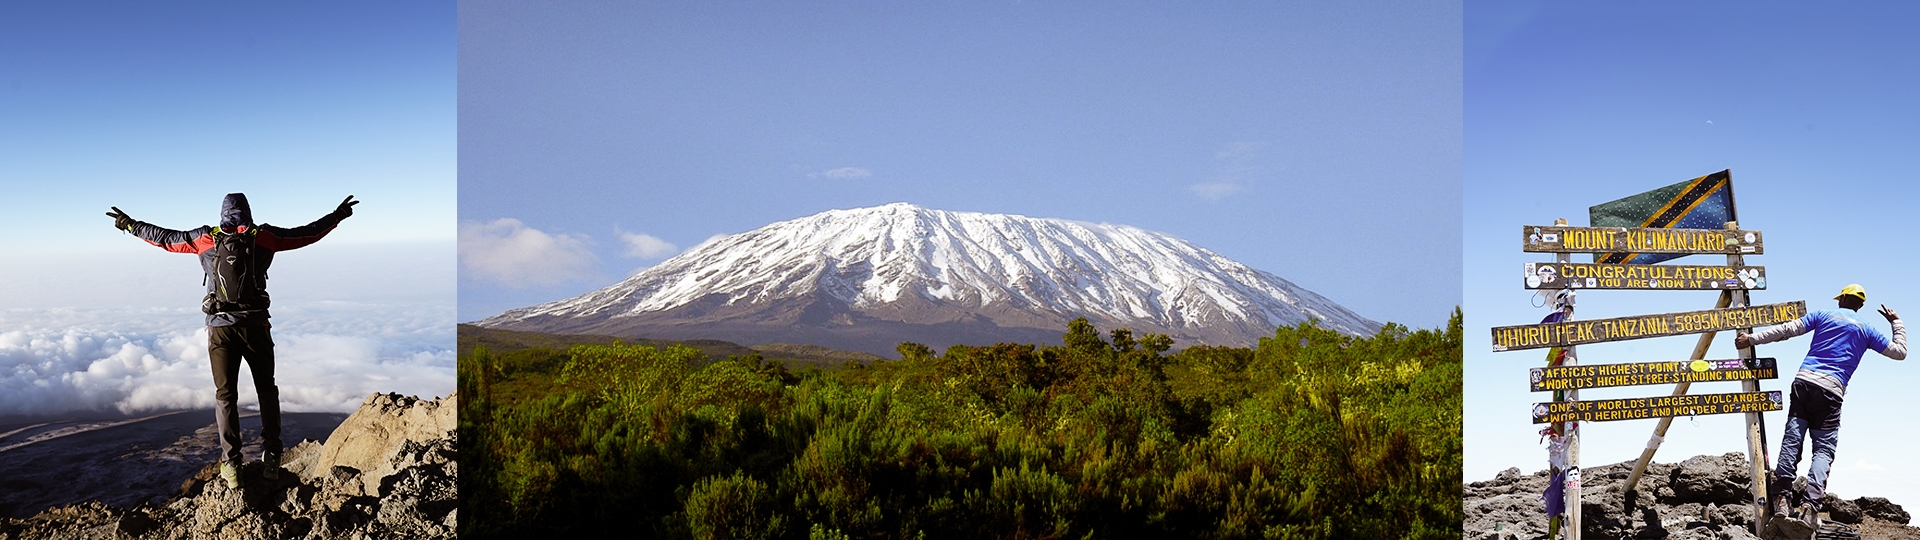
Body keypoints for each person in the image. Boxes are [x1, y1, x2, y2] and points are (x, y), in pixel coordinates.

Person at [106, 193, 357, 489]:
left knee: (225, 396)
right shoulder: (265, 236)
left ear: (222, 213)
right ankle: (273, 458)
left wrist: (129, 225)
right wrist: (337, 216)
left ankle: (232, 463)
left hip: (220, 329)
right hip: (256, 326)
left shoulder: (204, 239)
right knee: (267, 390)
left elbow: (164, 238)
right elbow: (306, 234)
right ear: (248, 212)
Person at [1736, 284, 1906, 526]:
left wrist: (1750, 339)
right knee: (1824, 450)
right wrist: (1896, 322)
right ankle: (1809, 506)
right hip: (1832, 392)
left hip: (1804, 383)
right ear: (1861, 304)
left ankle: (1782, 499)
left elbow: (1787, 330)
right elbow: (1899, 352)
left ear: (1844, 298)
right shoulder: (1867, 330)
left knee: (1792, 438)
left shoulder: (1823, 314)